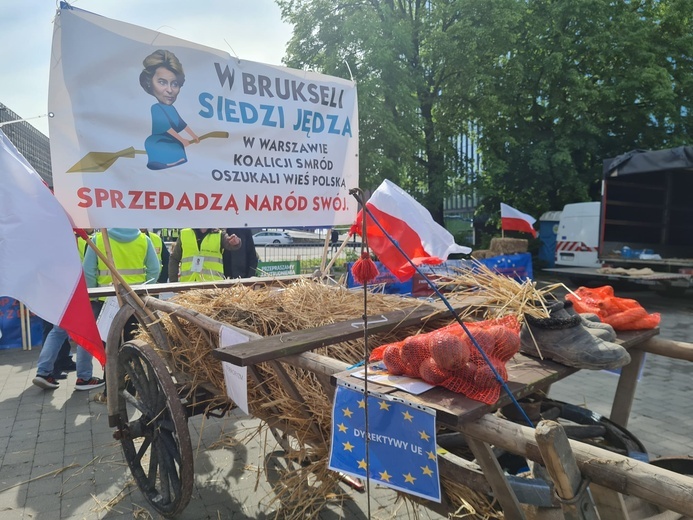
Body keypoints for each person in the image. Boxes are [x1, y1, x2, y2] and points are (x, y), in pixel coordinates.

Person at [139, 49, 199, 170]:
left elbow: (182, 124)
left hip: (173, 140)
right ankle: (162, 161)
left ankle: (174, 159)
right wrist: (182, 139)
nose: (170, 90)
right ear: (149, 83)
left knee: (175, 146)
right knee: (164, 145)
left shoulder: (172, 109)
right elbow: (167, 128)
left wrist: (194, 136)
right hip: (160, 141)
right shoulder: (156, 108)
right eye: (162, 82)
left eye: (175, 84)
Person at [169, 228, 241, 282]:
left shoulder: (219, 234)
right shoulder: (184, 233)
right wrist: (174, 282)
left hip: (212, 287)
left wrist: (236, 242)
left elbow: (230, 245)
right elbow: (174, 258)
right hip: (188, 286)